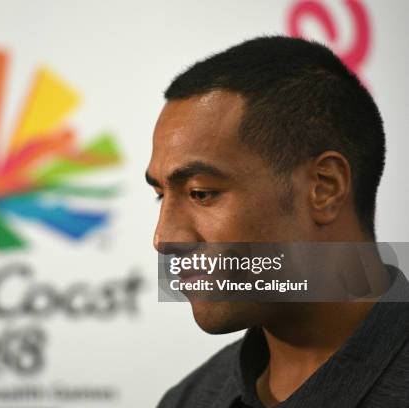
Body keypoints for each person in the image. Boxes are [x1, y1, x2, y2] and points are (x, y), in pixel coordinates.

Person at [146, 36, 409, 407]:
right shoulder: (188, 400)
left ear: (325, 188)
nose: (164, 238)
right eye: (161, 194)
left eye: (201, 193)